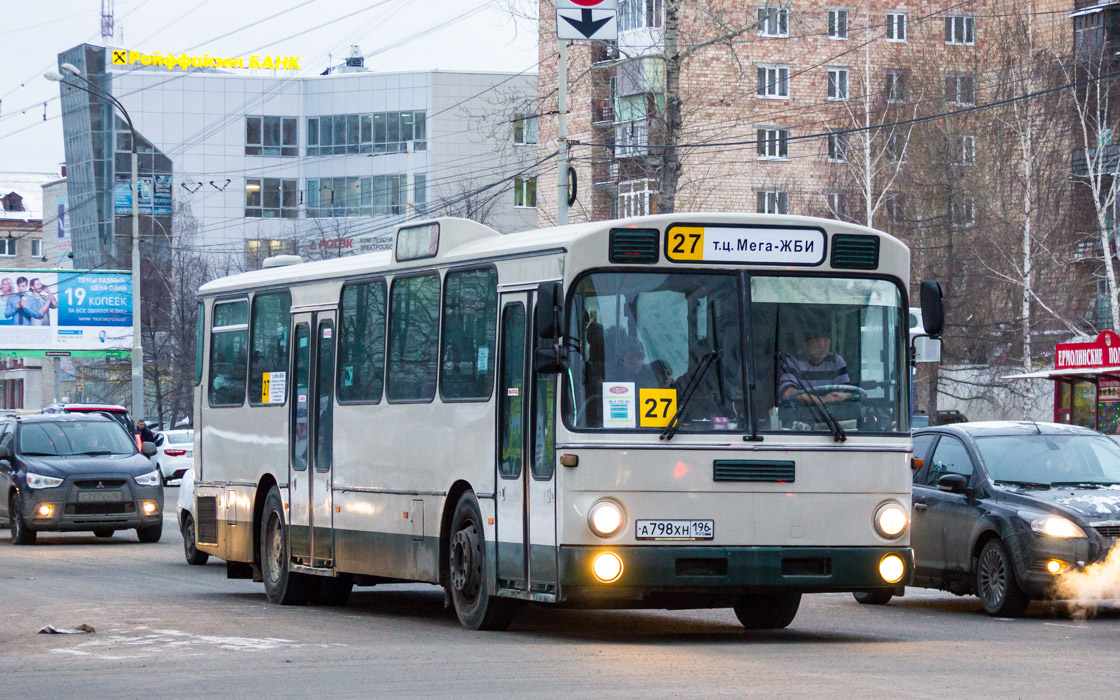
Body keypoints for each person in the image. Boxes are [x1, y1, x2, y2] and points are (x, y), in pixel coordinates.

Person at [778, 319, 852, 405]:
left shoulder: (836, 361)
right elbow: (786, 392)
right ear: (805, 344)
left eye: (826, 340)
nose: (822, 345)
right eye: (816, 340)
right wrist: (822, 400)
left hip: (832, 416)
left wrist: (845, 395)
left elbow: (848, 392)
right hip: (801, 416)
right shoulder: (793, 361)